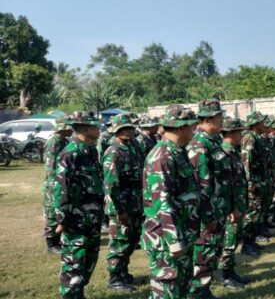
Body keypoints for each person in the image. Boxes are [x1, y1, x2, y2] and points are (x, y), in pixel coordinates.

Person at [142, 105, 200, 298]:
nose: (195, 129)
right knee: (166, 291)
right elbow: (162, 202)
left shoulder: (177, 151)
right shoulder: (163, 156)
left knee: (181, 287)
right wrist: (174, 242)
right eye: (192, 125)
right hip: (166, 239)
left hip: (182, 232)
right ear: (181, 127)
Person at [53, 113, 104, 299]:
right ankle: (70, 295)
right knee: (74, 260)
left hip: (93, 216)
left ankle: (78, 292)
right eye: (95, 126)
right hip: (76, 219)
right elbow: (61, 189)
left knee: (90, 258)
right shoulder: (70, 153)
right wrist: (62, 218)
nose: (99, 129)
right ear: (82, 128)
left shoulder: (91, 151)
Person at [186, 99, 227, 299]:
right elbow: (201, 185)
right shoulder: (199, 144)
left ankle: (204, 289)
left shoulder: (214, 140)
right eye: (220, 117)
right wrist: (208, 214)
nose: (223, 121)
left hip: (218, 208)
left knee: (212, 252)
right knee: (203, 252)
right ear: (209, 119)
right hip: (206, 212)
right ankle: (196, 292)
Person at [102, 114, 144, 291]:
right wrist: (119, 210)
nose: (128, 131)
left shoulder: (133, 147)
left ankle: (123, 273)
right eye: (123, 129)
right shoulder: (113, 151)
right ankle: (115, 277)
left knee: (130, 240)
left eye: (130, 128)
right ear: (116, 131)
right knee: (119, 241)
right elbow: (111, 185)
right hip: (120, 206)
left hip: (134, 203)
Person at [217, 117, 250, 290]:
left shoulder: (233, 151)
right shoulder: (222, 153)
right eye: (239, 132)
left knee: (235, 239)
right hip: (230, 208)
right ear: (230, 133)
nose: (242, 135)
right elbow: (225, 185)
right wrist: (232, 208)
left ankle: (230, 271)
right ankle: (224, 275)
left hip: (237, 205)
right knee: (228, 242)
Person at [42, 116, 73, 254]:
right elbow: (52, 167)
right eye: (69, 127)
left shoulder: (64, 141)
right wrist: (58, 183)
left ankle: (59, 239)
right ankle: (51, 243)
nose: (72, 130)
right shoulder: (53, 143)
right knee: (52, 213)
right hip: (54, 183)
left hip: (62, 181)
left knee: (61, 211)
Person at [241, 111, 269, 251]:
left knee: (256, 213)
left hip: (258, 182)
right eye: (262, 122)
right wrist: (250, 185)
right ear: (256, 124)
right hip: (253, 184)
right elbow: (247, 164)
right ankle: (246, 244)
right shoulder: (249, 138)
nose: (264, 124)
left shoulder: (255, 137)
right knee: (251, 214)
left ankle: (251, 240)